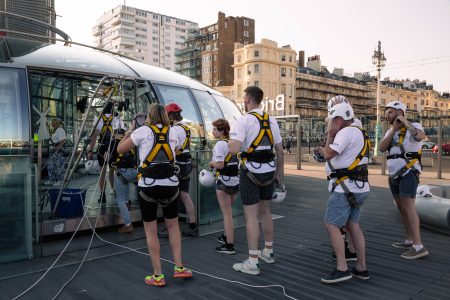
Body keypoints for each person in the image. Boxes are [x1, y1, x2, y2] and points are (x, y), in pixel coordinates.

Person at [117, 103, 192, 287]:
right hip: (170, 185)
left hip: (148, 186)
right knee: (173, 226)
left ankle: (158, 275)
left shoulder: (142, 132)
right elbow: (175, 152)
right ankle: (179, 267)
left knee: (151, 230)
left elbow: (120, 149)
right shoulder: (174, 132)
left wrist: (130, 131)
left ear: (149, 116)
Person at [229, 86, 284, 275]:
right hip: (269, 171)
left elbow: (234, 149)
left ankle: (252, 261)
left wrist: (230, 140)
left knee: (251, 216)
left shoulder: (243, 121)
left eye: (244, 98)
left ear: (247, 100)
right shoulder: (272, 120)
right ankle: (268, 251)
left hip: (250, 172)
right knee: (266, 211)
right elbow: (280, 151)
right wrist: (279, 178)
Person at [321, 102, 370, 283]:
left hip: (345, 188)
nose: (330, 123)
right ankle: (361, 268)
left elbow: (328, 154)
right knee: (353, 225)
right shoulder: (359, 131)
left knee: (331, 224)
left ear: (339, 119)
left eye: (332, 120)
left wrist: (330, 134)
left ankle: (342, 268)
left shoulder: (346, 131)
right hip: (358, 187)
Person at [379, 101, 429, 259]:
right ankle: (409, 240)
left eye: (391, 112)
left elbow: (421, 136)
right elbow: (381, 148)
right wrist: (394, 129)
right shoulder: (390, 130)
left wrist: (405, 123)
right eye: (386, 113)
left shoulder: (414, 125)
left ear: (400, 112)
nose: (387, 115)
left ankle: (418, 246)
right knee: (402, 208)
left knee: (408, 208)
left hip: (408, 171)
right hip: (393, 173)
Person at [159, 102, 198, 237]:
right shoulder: (186, 128)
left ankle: (171, 228)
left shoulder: (173, 130)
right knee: (185, 195)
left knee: (171, 197)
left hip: (177, 165)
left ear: (170, 115)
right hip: (187, 163)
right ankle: (193, 225)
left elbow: (171, 149)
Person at [208, 119, 239, 255]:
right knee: (228, 211)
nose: (213, 131)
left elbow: (220, 165)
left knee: (227, 214)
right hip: (235, 180)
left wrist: (211, 163)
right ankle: (226, 236)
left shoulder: (219, 145)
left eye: (215, 129)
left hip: (223, 181)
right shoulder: (232, 143)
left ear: (221, 131)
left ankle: (229, 245)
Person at [88, 102, 117, 203]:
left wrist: (90, 150)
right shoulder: (117, 118)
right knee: (113, 170)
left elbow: (94, 136)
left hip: (102, 147)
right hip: (114, 147)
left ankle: (102, 195)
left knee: (102, 172)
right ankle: (114, 190)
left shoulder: (99, 119)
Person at [110, 123, 137, 234]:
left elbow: (110, 159)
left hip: (122, 172)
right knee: (125, 198)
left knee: (120, 200)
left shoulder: (114, 142)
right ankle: (127, 214)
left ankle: (128, 224)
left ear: (115, 133)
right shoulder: (131, 141)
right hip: (133, 171)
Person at [46, 118, 67, 185]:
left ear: (55, 123)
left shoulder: (60, 130)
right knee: (51, 165)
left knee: (59, 166)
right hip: (53, 150)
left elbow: (63, 140)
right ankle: (52, 179)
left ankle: (60, 181)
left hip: (58, 151)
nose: (51, 124)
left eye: (52, 122)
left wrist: (57, 147)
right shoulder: (55, 130)